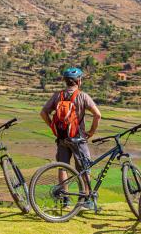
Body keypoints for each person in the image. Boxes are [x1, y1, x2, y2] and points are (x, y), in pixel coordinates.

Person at [40, 67, 101, 208]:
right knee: (84, 168)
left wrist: (52, 127)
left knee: (63, 167)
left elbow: (43, 112)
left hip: (62, 138)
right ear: (78, 81)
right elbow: (98, 115)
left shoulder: (57, 96)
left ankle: (65, 200)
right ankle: (86, 199)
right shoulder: (83, 96)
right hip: (78, 138)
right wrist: (91, 132)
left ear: (65, 81)